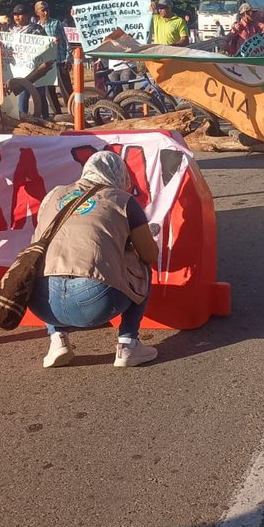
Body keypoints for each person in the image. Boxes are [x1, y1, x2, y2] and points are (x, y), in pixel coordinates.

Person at [29, 151, 159, 369]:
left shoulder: (54, 195)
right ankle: (128, 344)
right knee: (141, 265)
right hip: (96, 303)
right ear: (120, 176)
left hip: (43, 303)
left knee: (47, 264)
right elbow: (149, 255)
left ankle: (57, 339)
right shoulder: (123, 201)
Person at [34, 0, 70, 114]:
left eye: (47, 9)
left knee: (66, 90)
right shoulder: (36, 28)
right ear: (37, 12)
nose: (46, 12)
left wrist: (68, 58)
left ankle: (74, 112)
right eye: (42, 10)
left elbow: (66, 41)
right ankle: (57, 114)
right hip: (46, 64)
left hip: (59, 61)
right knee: (50, 92)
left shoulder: (56, 23)